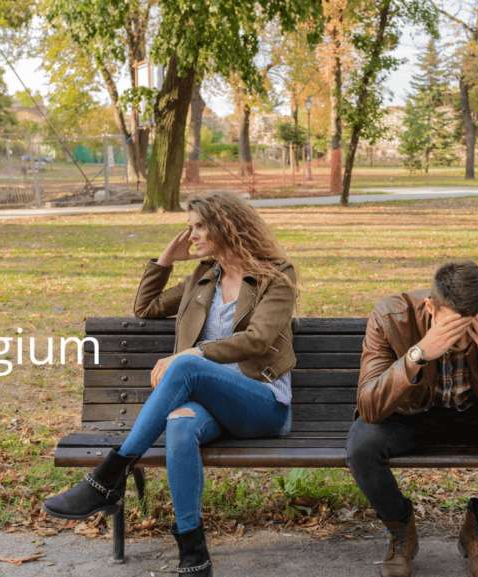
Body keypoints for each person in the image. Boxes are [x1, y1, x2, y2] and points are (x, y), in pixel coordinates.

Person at [43, 192, 298, 577]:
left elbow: (259, 340)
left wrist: (191, 355)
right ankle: (193, 551)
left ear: (225, 226)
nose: (190, 235)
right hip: (211, 404)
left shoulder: (275, 275)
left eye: (198, 226)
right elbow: (145, 307)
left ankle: (110, 474)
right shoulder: (203, 276)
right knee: (179, 424)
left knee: (185, 367)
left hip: (263, 402)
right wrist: (164, 260)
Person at [346, 261, 478, 577]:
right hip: (413, 417)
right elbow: (369, 406)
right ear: (431, 307)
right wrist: (417, 355)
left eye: (470, 327)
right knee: (361, 444)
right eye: (451, 328)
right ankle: (401, 530)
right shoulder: (390, 317)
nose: (460, 340)